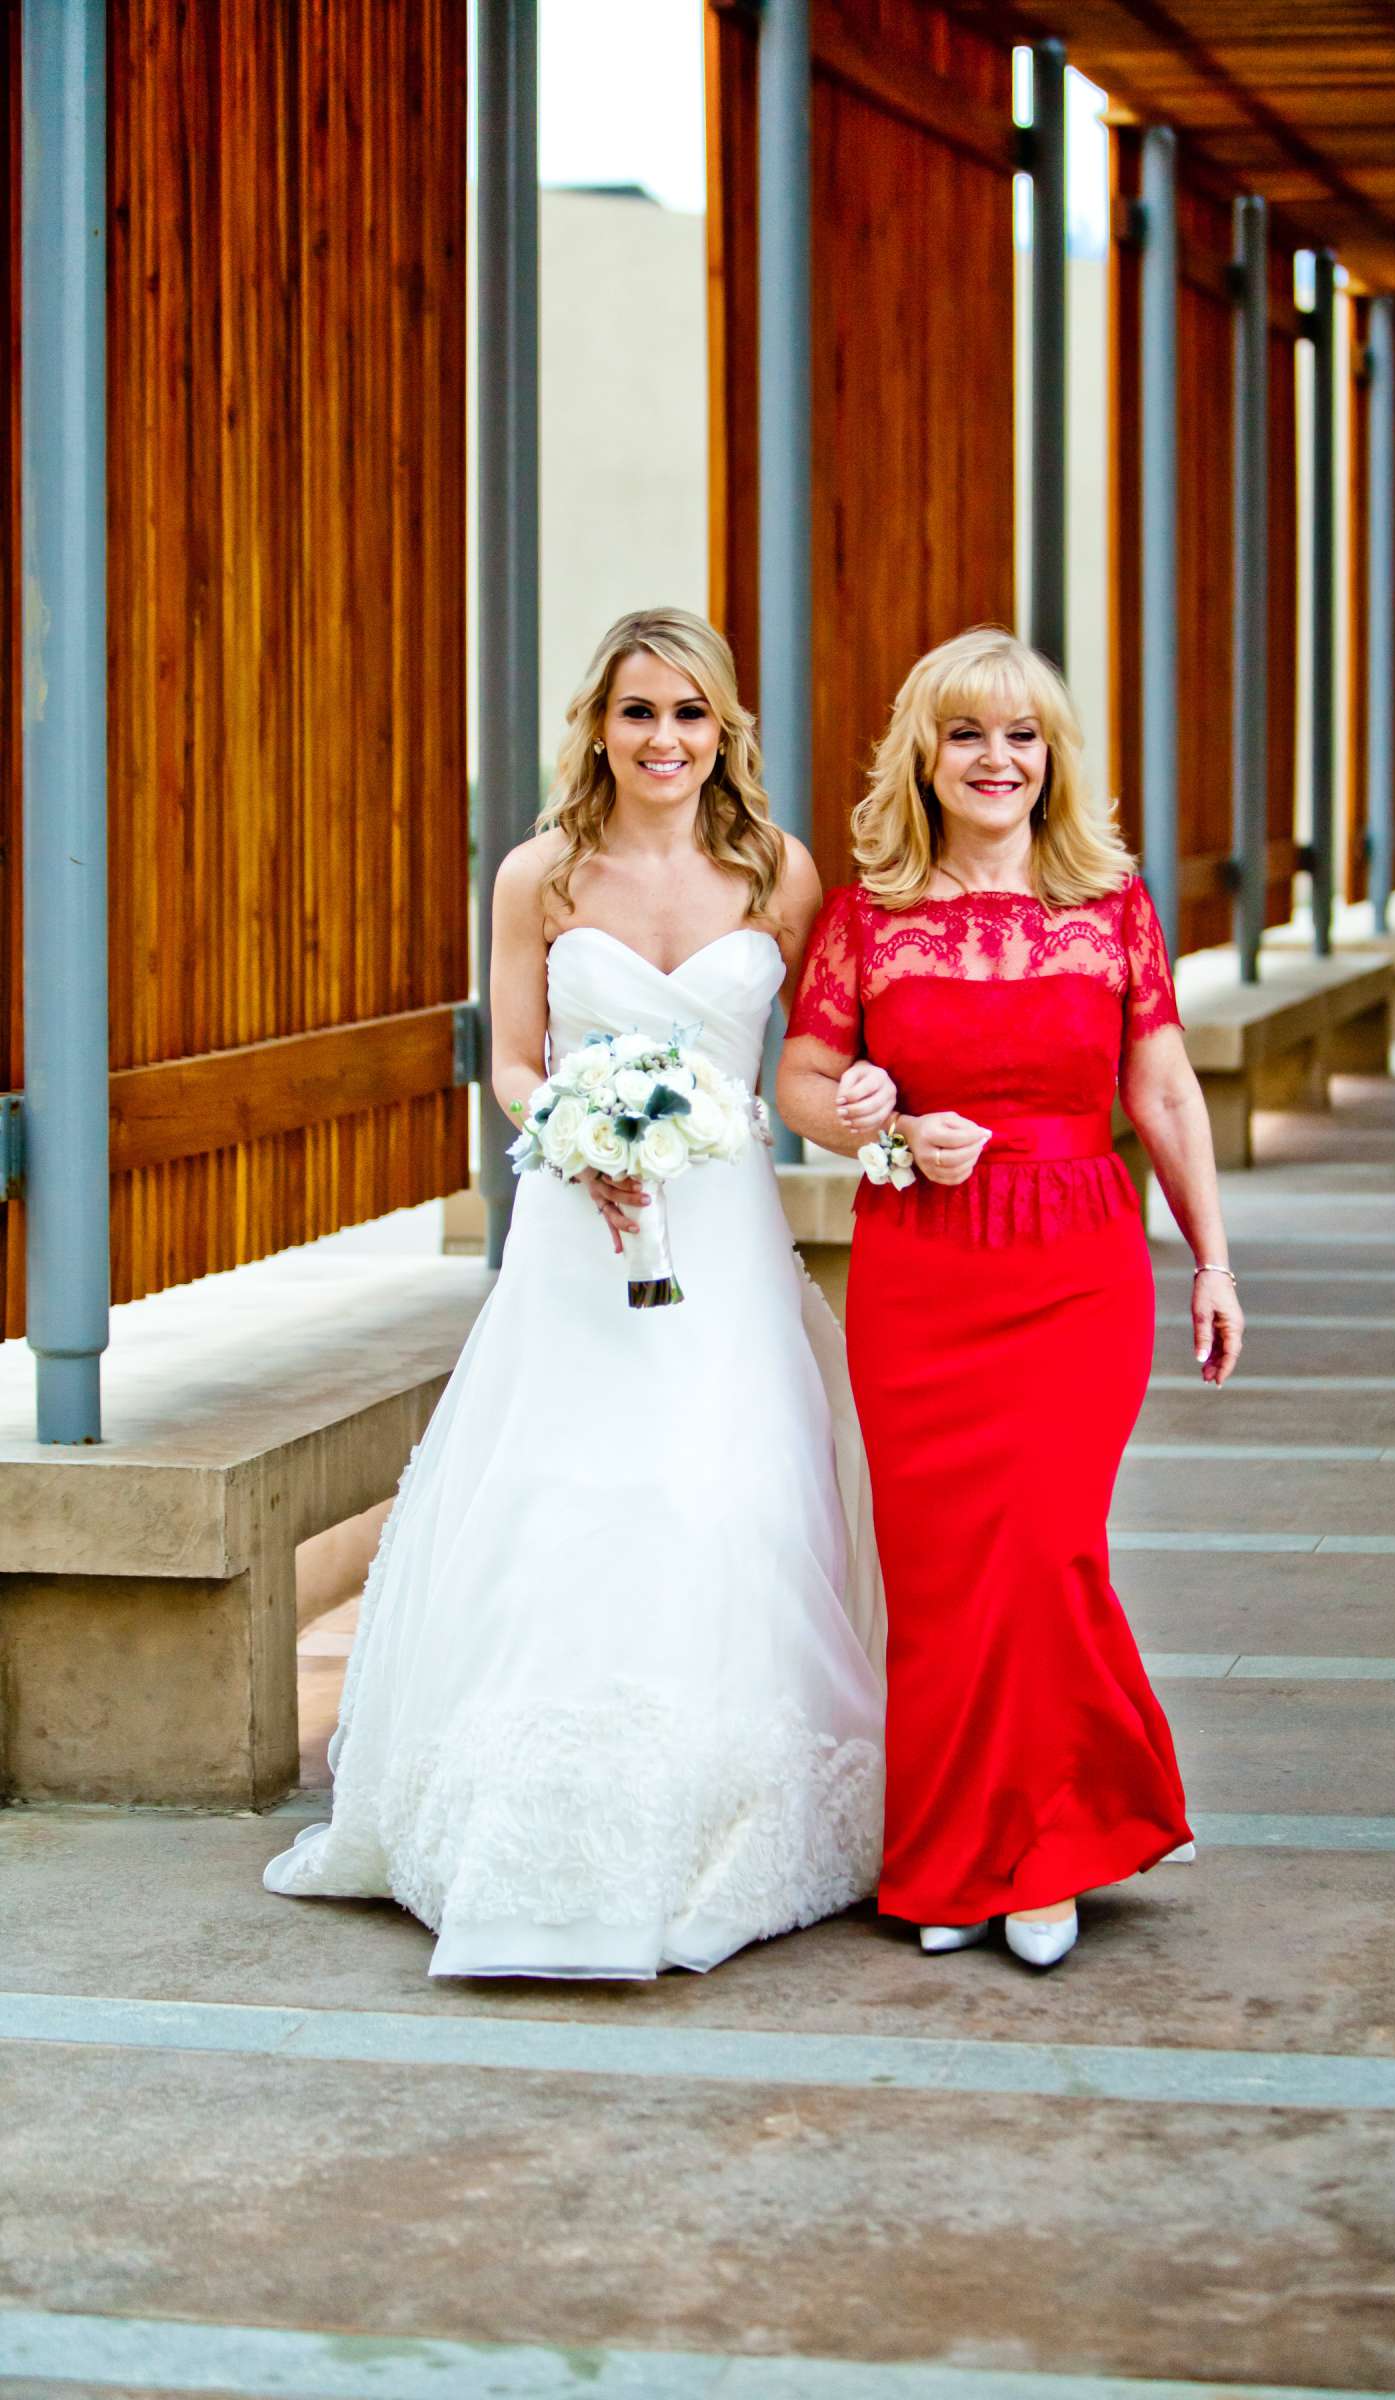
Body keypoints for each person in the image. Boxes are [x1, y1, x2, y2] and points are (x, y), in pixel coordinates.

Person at [265, 608, 885, 1978]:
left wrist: (882, 1106)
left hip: (721, 1235)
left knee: (724, 1489)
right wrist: (576, 1134)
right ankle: (537, 1818)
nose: (663, 739)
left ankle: (721, 1803)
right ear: (598, 726)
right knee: (569, 1489)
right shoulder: (539, 874)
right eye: (637, 712)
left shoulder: (780, 874)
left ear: (725, 728)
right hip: (579, 1233)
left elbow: (825, 1047)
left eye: (688, 713)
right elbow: (512, 1060)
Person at [776, 626, 1243, 1970]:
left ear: (1054, 756)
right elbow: (803, 1084)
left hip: (1077, 1260)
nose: (997, 759)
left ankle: (1046, 1856)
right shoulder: (871, 909)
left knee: (1046, 1550)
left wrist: (1212, 1259)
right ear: (926, 753)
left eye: (1022, 734)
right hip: (922, 1269)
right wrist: (876, 1127)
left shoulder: (1112, 902)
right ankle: (950, 1861)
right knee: (942, 1580)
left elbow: (1160, 1091)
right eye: (968, 733)